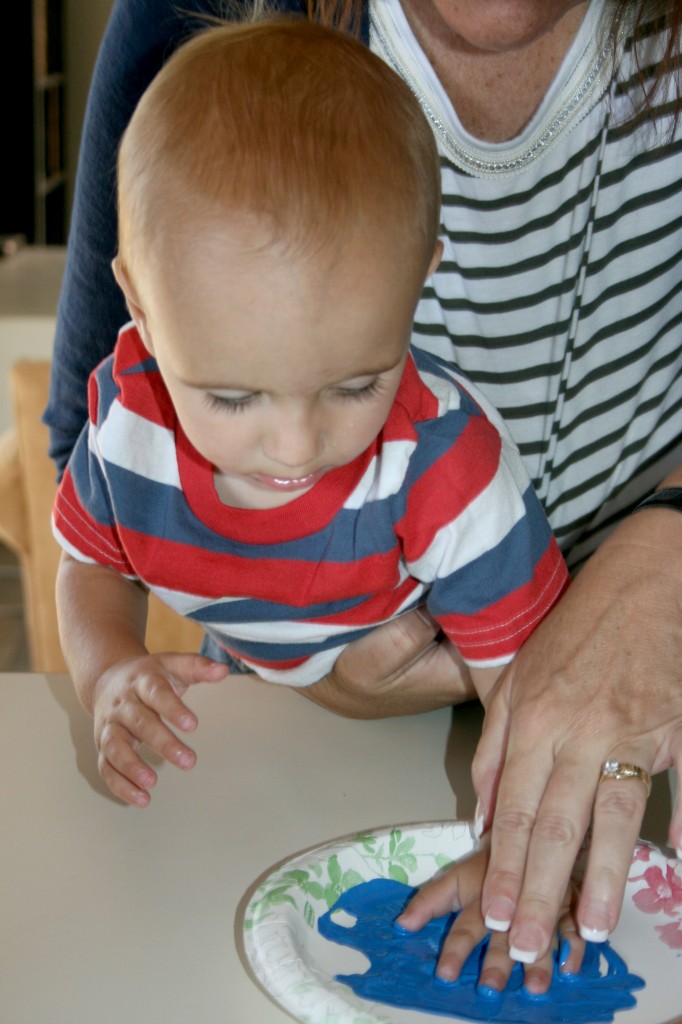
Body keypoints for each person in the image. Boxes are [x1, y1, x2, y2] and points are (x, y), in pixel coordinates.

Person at [44, 0, 682, 979]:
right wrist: (109, 670)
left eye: (356, 384)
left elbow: (527, 693)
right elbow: (92, 556)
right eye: (232, 394)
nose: (298, 444)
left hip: (515, 711)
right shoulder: (127, 416)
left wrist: (507, 856)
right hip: (261, 759)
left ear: (418, 287)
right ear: (142, 307)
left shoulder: (439, 459)